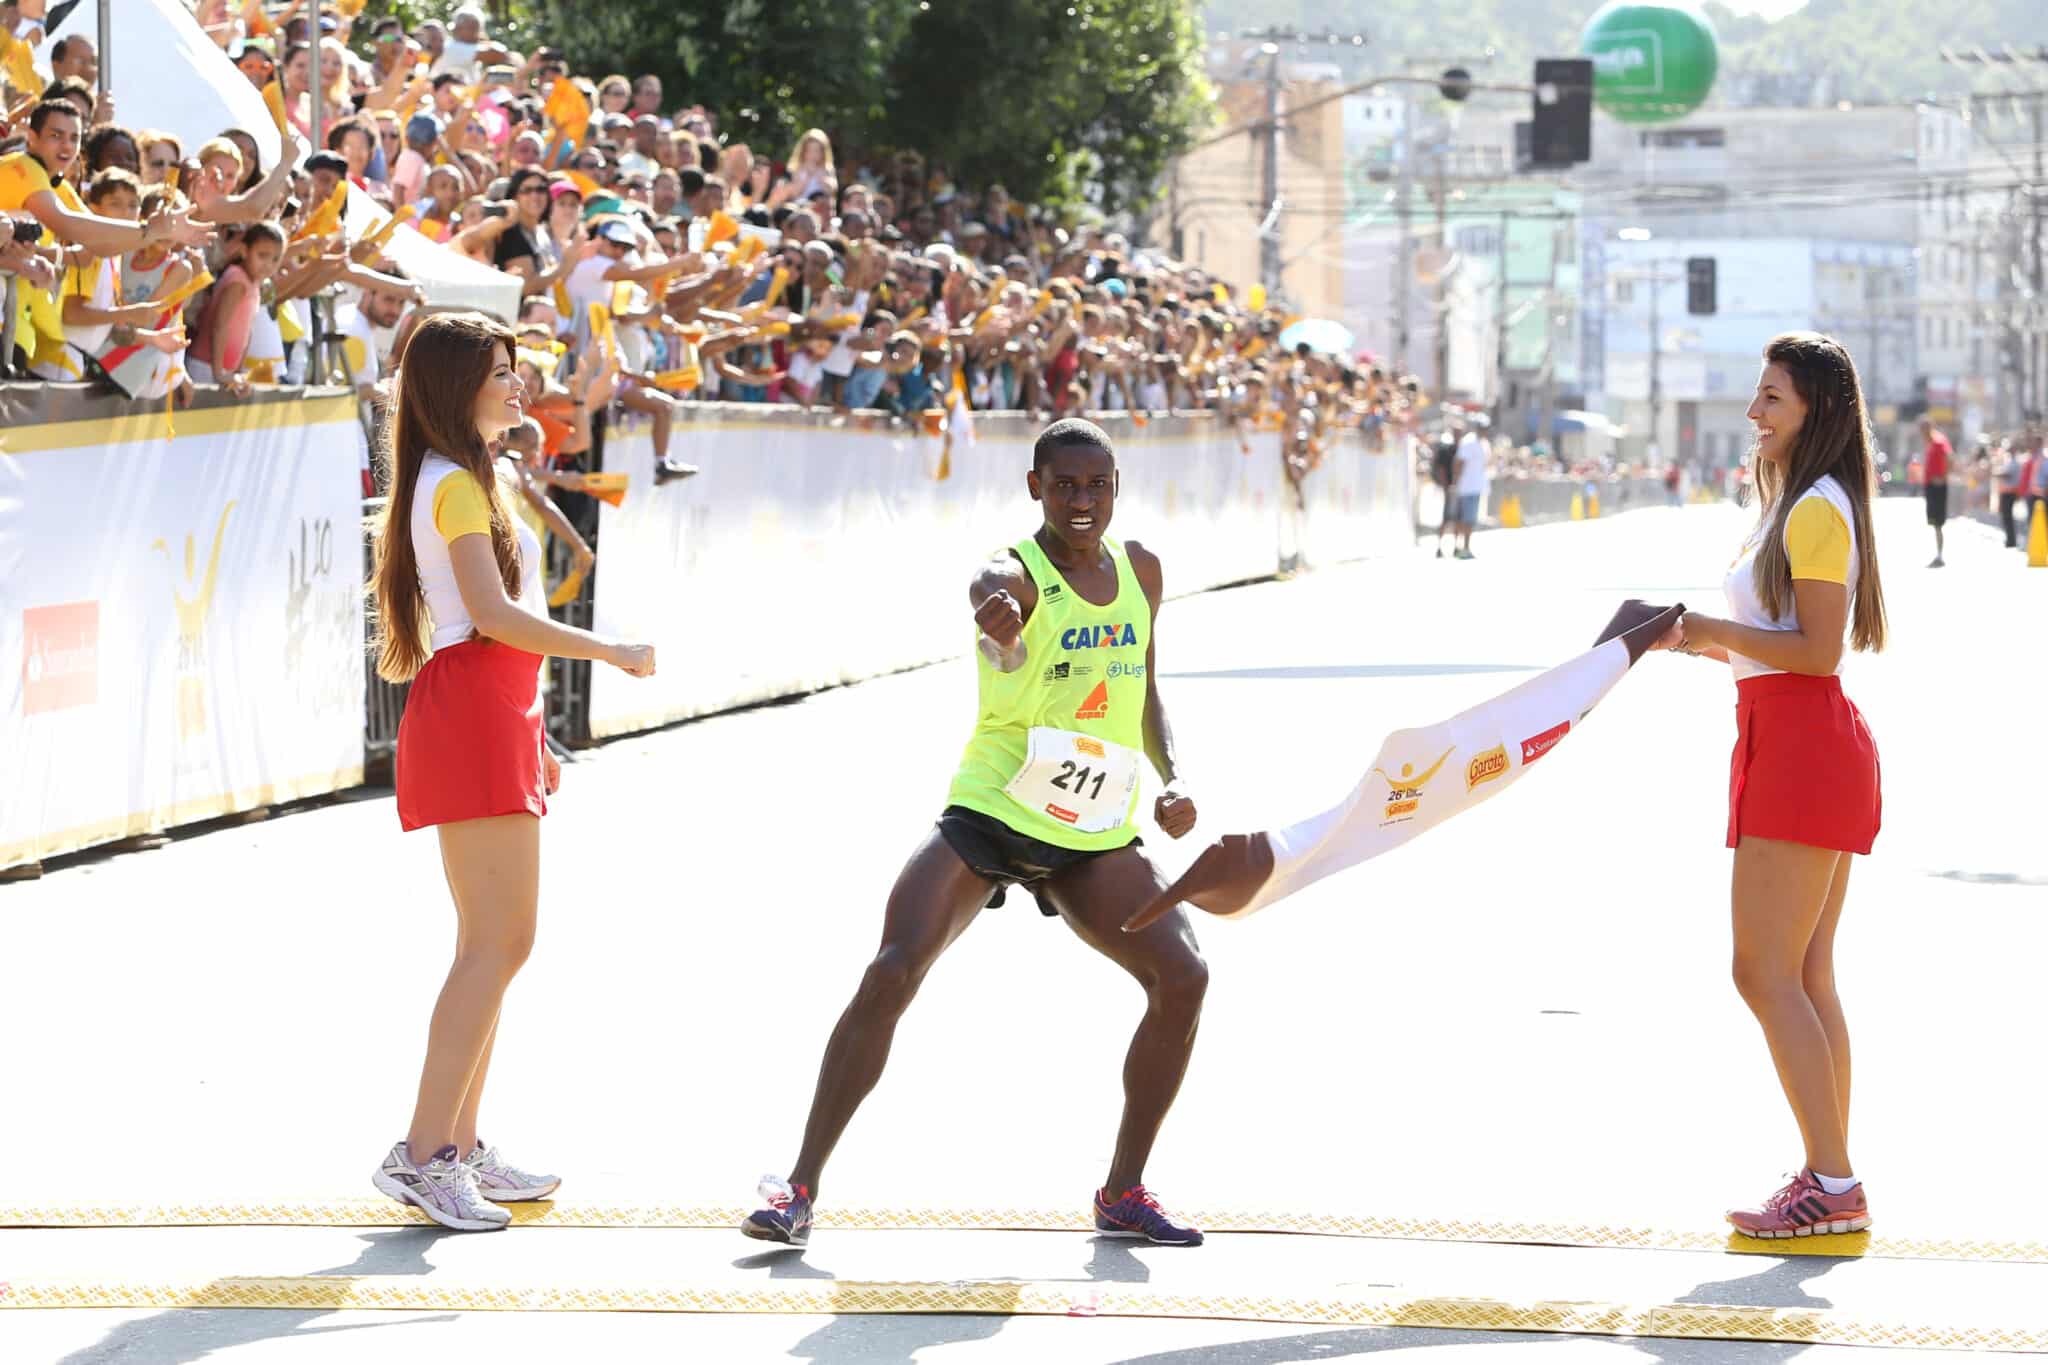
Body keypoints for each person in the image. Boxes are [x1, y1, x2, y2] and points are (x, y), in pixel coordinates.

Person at [742, 418, 1209, 1250]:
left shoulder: (1140, 569)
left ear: (1115, 488)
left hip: (1093, 826)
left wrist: (1171, 775)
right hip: (994, 809)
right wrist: (993, 613)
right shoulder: (1017, 573)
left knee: (1184, 973)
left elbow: (1143, 681)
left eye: (1096, 485)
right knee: (892, 969)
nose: (1081, 501)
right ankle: (798, 1184)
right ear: (1035, 487)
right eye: (1063, 485)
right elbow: (991, 584)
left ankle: (1124, 1189)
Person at [366, 312, 657, 1231]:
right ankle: (425, 1153)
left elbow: (491, 620)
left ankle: (458, 1141)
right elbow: (491, 615)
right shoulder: (454, 485)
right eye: (501, 372)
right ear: (459, 387)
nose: (518, 385)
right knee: (496, 943)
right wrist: (607, 649)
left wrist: (533, 732)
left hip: (495, 710)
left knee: (498, 943)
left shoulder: (466, 479)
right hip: (473, 708)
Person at [1660, 332, 1888, 1239]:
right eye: (1757, 396)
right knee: (1803, 973)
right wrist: (1689, 641)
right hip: (1789, 738)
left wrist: (1712, 625)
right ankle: (1830, 1172)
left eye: (1773, 400)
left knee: (1762, 972)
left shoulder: (1814, 512)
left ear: (1817, 413)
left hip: (1803, 746)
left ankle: (1832, 1182)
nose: (1754, 413)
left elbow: (1819, 652)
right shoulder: (1797, 505)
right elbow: (1777, 646)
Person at [1451, 418, 1490, 559]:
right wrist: (1455, 482)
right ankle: (1459, 547)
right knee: (1463, 519)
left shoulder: (1484, 443)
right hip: (1466, 486)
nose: (1484, 431)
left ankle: (1464, 547)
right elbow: (1458, 463)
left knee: (1469, 519)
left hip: (1476, 486)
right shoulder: (1469, 441)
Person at [1919, 418, 1951, 568]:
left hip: (1938, 486)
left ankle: (1940, 555)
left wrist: (1943, 477)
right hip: (1931, 486)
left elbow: (1950, 459)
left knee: (1938, 523)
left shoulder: (1939, 442)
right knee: (1934, 522)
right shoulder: (1930, 444)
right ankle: (1938, 554)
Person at [1430, 425, 1457, 558]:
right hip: (1448, 489)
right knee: (1447, 519)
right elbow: (1441, 470)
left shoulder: (1454, 447)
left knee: (1455, 519)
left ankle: (1454, 546)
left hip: (1451, 488)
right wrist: (1447, 487)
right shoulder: (1447, 449)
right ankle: (1440, 547)